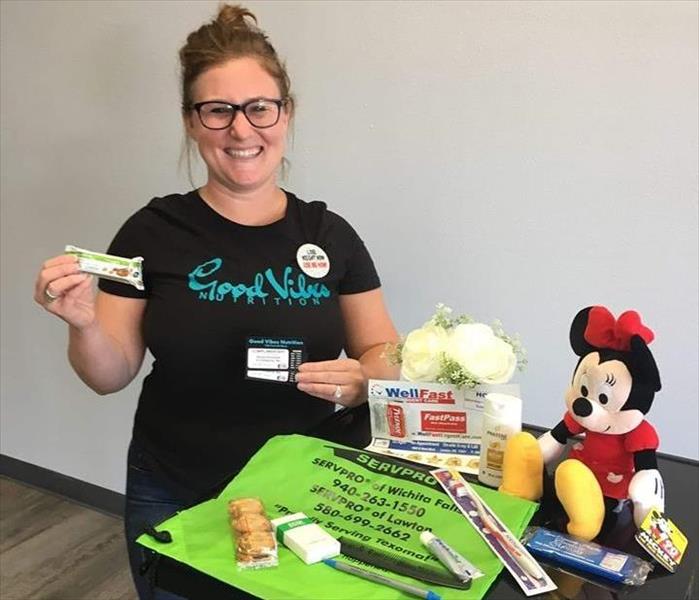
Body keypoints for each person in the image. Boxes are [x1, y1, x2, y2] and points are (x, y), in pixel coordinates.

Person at [33, 4, 399, 598]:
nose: (241, 129)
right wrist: (82, 324)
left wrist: (364, 381)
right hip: (174, 483)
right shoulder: (150, 233)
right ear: (191, 122)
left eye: (259, 107)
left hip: (307, 488)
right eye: (217, 110)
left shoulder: (331, 235)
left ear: (286, 113)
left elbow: (385, 349)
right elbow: (109, 374)